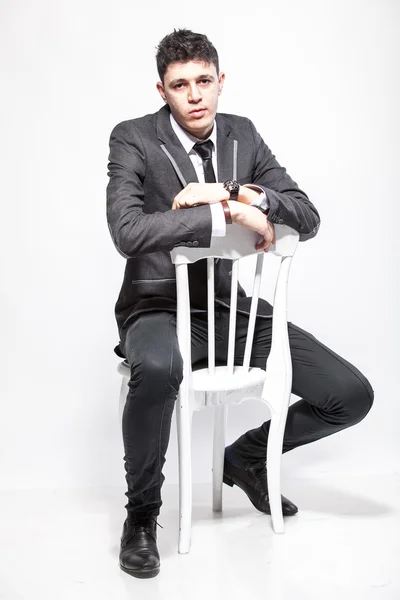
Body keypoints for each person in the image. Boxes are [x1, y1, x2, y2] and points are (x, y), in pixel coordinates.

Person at [106, 28, 374, 579]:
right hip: (157, 306)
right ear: (163, 91)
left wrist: (235, 192)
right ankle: (142, 514)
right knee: (157, 369)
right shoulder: (132, 138)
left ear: (221, 81)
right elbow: (128, 231)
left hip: (229, 310)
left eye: (205, 81)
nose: (196, 95)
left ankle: (246, 458)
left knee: (349, 395)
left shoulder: (242, 135)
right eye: (181, 85)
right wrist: (219, 216)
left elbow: (306, 214)